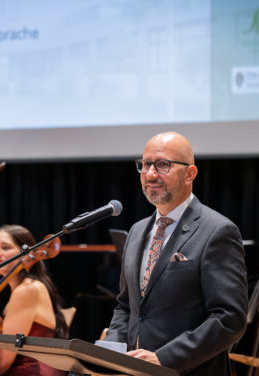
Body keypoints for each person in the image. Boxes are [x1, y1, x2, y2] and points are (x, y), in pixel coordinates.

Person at [104, 132, 248, 375]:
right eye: (145, 164)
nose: (150, 174)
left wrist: (164, 358)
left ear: (190, 173)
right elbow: (126, 306)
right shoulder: (137, 231)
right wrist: (109, 352)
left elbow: (229, 318)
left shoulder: (218, 231)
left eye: (163, 165)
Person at [0, 224, 68, 376]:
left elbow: (4, 358)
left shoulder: (27, 290)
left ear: (25, 253)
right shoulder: (21, 289)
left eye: (5, 247)